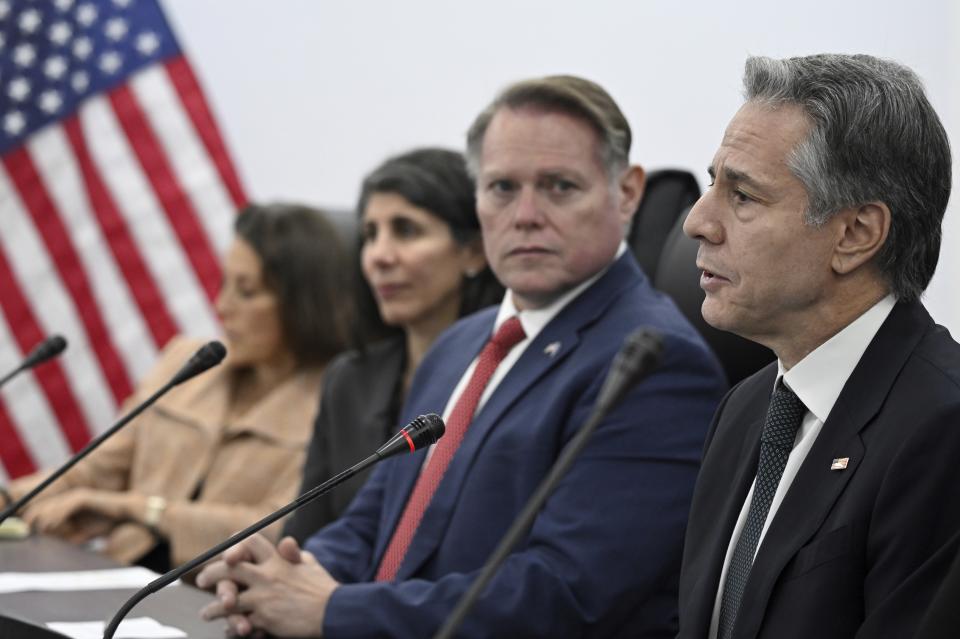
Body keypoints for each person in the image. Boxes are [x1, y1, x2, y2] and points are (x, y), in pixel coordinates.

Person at [197, 75, 726, 638]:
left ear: (626, 193)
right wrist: (286, 575)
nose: (525, 214)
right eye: (502, 188)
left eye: (559, 187)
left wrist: (330, 610)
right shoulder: (459, 344)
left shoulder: (653, 363)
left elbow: (562, 594)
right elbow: (376, 520)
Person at [676, 54, 960, 639]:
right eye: (712, 183)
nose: (697, 222)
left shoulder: (944, 429)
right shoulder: (744, 409)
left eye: (744, 196)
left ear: (856, 235)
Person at [5, 204, 352, 572]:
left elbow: (281, 528)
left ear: (302, 304)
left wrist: (137, 509)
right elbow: (93, 470)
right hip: (117, 577)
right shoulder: (190, 362)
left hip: (219, 600)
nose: (222, 306)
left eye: (246, 292)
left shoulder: (338, 401)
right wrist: (8, 498)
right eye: (224, 285)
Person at [283, 148, 503, 542]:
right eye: (370, 235)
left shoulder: (508, 377)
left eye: (406, 230)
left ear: (473, 251)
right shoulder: (349, 379)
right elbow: (305, 532)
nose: (379, 256)